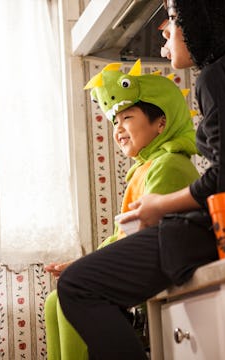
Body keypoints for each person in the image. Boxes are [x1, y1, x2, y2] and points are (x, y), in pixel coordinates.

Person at [56, 0, 225, 359]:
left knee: (77, 285)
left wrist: (159, 206)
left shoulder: (216, 76)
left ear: (202, 20)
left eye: (175, 18)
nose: (165, 29)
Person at [44, 59, 201, 360]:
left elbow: (143, 236)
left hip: (162, 263)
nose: (118, 128)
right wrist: (85, 262)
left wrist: (86, 266)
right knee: (54, 302)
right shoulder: (147, 167)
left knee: (66, 302)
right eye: (115, 122)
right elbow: (124, 236)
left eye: (127, 117)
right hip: (145, 260)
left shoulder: (169, 165)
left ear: (161, 122)